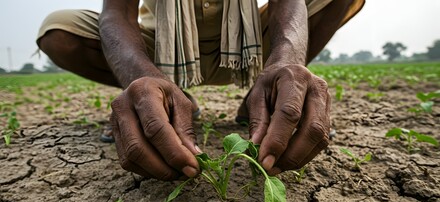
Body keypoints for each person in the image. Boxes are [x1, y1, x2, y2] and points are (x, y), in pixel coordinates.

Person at [36, 0, 365, 180]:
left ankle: (261, 97)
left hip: (247, 46)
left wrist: (286, 63)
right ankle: (171, 96)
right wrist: (142, 77)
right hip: (160, 50)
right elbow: (116, 13)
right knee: (58, 30)